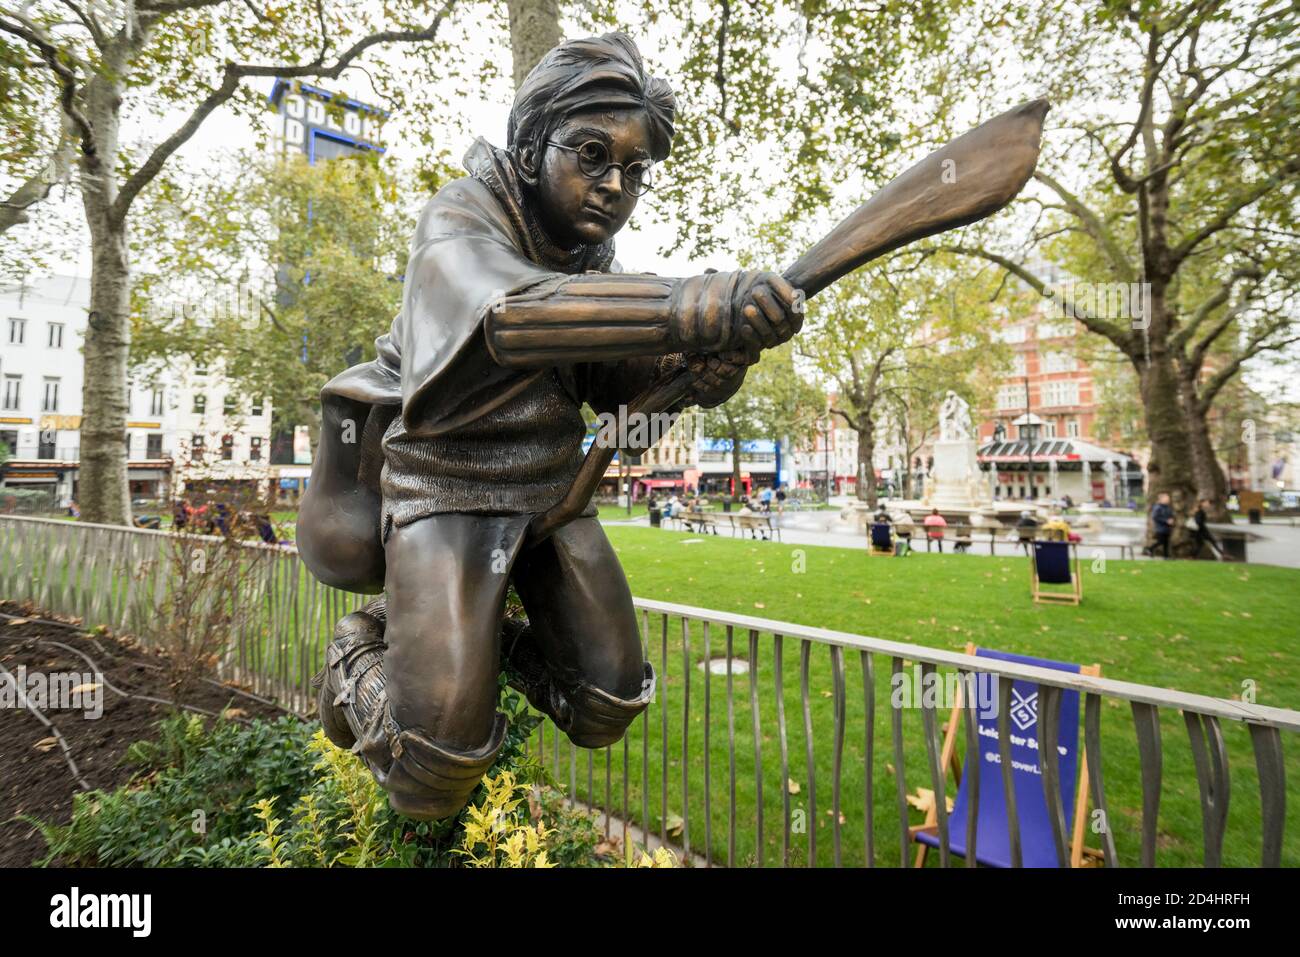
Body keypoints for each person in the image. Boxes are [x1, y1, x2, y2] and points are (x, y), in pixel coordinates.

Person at [299, 33, 801, 821]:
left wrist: (705, 363)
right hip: (445, 484)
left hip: (548, 491)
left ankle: (474, 642)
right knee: (431, 772)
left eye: (634, 172)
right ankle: (359, 656)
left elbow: (614, 384)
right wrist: (684, 306)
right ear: (532, 147)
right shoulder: (458, 217)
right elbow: (510, 314)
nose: (613, 185)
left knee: (608, 697)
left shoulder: (592, 257)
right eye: (593, 155)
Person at [1149, 492, 1174, 559]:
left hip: (1167, 528)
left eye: (1168, 498)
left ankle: (1166, 556)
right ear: (1161, 499)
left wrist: (1171, 520)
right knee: (1161, 541)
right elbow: (1155, 517)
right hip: (1160, 528)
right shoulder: (1158, 507)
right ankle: (1150, 548)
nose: (1168, 500)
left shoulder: (1168, 507)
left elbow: (1170, 515)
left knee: (1166, 542)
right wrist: (1166, 521)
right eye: (1166, 498)